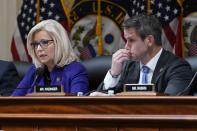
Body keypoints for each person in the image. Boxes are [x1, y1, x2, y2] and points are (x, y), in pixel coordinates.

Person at [90, 14, 193, 96]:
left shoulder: (178, 68)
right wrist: (113, 74)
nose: (126, 47)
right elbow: (98, 98)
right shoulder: (128, 66)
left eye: (131, 40)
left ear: (149, 40)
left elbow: (169, 106)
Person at [12, 19, 89, 96]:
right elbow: (12, 102)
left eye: (45, 42)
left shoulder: (76, 70)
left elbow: (77, 104)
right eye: (35, 44)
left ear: (59, 42)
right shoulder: (34, 71)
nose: (38, 49)